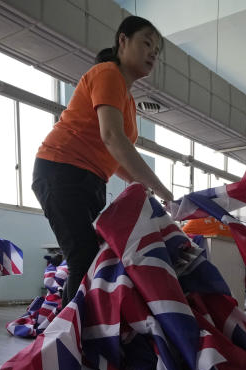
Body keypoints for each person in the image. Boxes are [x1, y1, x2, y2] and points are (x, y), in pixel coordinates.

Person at [32, 16, 174, 306]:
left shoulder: (129, 101)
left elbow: (114, 155)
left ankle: (77, 331)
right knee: (83, 258)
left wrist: (141, 188)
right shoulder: (107, 74)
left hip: (89, 181)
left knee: (93, 258)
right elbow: (112, 137)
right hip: (61, 171)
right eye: (146, 43)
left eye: (156, 51)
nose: (152, 54)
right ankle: (68, 339)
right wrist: (161, 189)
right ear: (122, 40)